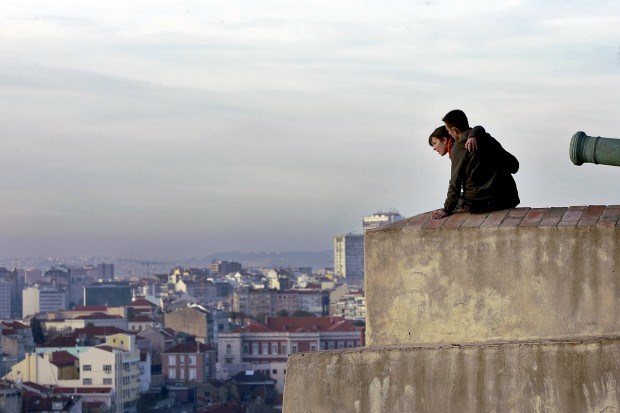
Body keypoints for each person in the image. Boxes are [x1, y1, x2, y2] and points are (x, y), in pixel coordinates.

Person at [431, 109, 519, 219]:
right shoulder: (487, 138)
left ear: (455, 130)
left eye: (449, 131)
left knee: (459, 198)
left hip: (481, 204)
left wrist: (446, 209)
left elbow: (455, 183)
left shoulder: (459, 148)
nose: (449, 134)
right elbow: (514, 166)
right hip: (507, 199)